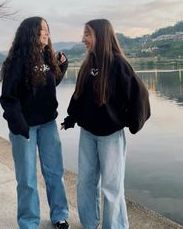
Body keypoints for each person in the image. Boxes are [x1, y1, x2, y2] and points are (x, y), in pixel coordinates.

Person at [61, 19, 151, 229]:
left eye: (87, 34)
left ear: (100, 36)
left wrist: (131, 123)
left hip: (111, 136)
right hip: (88, 134)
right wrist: (71, 118)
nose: (83, 39)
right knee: (85, 183)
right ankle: (89, 224)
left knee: (111, 187)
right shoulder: (87, 65)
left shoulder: (118, 64)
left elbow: (139, 96)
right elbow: (79, 97)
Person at [0, 16, 69, 229]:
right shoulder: (16, 61)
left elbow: (49, 85)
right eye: (42, 30)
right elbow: (8, 98)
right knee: (27, 179)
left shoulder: (47, 57)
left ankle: (59, 216)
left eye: (48, 29)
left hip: (48, 124)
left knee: (54, 172)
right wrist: (19, 125)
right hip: (25, 128)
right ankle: (29, 223)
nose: (47, 33)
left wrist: (62, 68)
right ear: (31, 33)